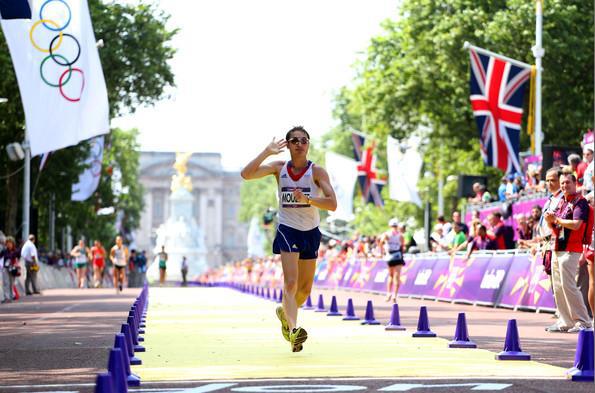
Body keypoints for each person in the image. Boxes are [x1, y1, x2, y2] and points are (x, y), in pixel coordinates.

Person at [240, 125, 337, 352]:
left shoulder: (317, 172)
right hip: (287, 228)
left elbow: (332, 204)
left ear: (308, 145)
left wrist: (309, 199)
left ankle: (285, 314)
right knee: (290, 283)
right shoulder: (278, 168)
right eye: (294, 140)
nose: (299, 144)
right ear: (288, 145)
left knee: (304, 290)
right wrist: (266, 151)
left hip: (311, 231)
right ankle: (294, 332)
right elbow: (246, 174)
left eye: (303, 140)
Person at [544, 172, 592, 332]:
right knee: (558, 287)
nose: (564, 186)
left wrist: (556, 220)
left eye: (567, 183)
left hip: (571, 249)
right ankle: (565, 321)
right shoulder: (562, 202)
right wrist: (550, 221)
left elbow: (577, 224)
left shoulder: (580, 202)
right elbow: (557, 225)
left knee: (569, 285)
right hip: (558, 247)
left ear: (575, 183)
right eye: (562, 183)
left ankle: (583, 321)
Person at [380, 219, 405, 303]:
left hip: (390, 255)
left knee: (390, 275)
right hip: (398, 255)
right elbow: (403, 246)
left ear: (390, 226)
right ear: (397, 226)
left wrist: (382, 251)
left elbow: (380, 242)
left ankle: (388, 294)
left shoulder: (386, 234)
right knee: (397, 276)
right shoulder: (400, 235)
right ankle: (395, 295)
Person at [1, 237, 20, 303]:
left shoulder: (16, 251)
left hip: (13, 269)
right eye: (7, 243)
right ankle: (7, 298)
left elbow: (18, 259)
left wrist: (17, 265)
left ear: (13, 243)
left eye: (10, 243)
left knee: (11, 284)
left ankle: (11, 297)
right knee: (6, 283)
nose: (8, 244)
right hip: (5, 268)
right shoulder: (4, 251)